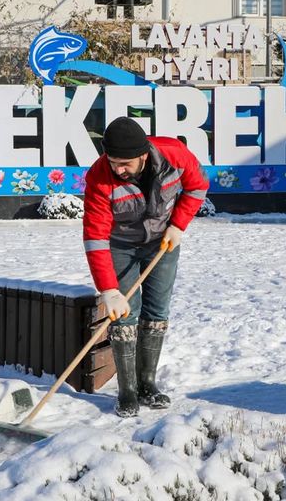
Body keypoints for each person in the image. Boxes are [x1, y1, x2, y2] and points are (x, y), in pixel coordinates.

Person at [82, 116, 209, 418]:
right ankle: (127, 391)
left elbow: (198, 186)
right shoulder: (100, 177)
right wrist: (109, 290)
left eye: (125, 164)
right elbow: (95, 237)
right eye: (113, 162)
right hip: (120, 245)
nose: (118, 169)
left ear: (142, 155)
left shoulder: (174, 155)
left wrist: (178, 225)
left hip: (162, 241)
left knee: (157, 309)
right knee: (125, 310)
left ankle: (147, 384)